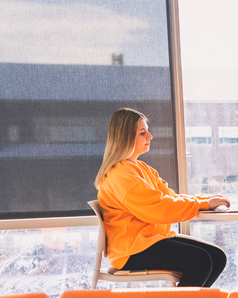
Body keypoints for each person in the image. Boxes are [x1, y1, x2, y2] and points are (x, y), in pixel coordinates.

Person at [95, 108, 229, 287]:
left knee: (217, 257)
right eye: (142, 132)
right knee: (201, 261)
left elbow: (169, 197)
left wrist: (205, 200)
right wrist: (202, 204)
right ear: (125, 137)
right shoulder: (120, 174)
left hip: (149, 240)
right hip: (131, 250)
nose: (149, 136)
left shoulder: (143, 169)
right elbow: (158, 208)